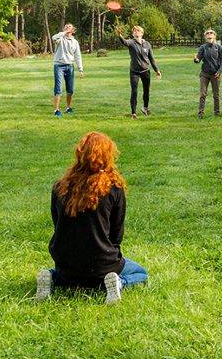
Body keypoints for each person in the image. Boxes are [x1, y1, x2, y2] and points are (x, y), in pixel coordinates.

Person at [35, 131, 147, 305]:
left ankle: (53, 277)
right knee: (141, 273)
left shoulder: (59, 187)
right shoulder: (114, 188)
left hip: (65, 261)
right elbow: (116, 234)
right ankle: (117, 283)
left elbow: (57, 224)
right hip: (101, 262)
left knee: (71, 276)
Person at [116, 25, 161, 119]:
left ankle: (145, 108)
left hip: (145, 70)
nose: (136, 32)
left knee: (146, 90)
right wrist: (120, 35)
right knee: (134, 91)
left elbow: (151, 59)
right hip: (134, 71)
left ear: (142, 33)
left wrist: (157, 70)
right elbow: (124, 42)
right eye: (134, 31)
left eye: (138, 31)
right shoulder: (131, 43)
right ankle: (134, 113)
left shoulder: (147, 44)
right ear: (133, 34)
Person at [52, 24, 84, 118]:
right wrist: (64, 32)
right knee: (58, 88)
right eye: (65, 27)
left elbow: (78, 56)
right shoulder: (60, 39)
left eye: (69, 27)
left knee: (70, 89)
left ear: (73, 30)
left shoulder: (75, 42)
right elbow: (53, 37)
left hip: (69, 66)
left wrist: (80, 69)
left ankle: (68, 108)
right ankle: (56, 110)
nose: (67, 27)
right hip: (58, 66)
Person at [194, 29, 222, 119]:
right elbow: (198, 59)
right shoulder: (203, 47)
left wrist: (219, 72)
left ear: (214, 36)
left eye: (211, 33)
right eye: (207, 33)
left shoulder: (219, 47)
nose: (209, 34)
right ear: (205, 37)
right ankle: (200, 113)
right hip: (205, 74)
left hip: (215, 74)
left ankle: (217, 112)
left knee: (216, 94)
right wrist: (196, 60)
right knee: (203, 94)